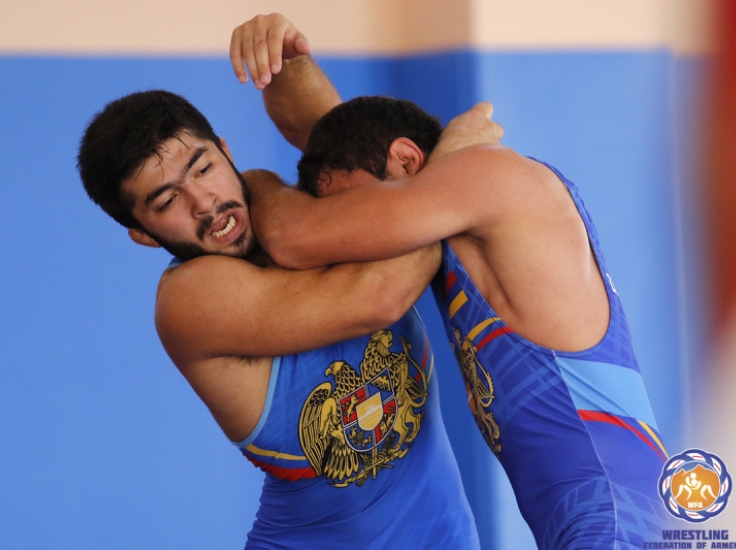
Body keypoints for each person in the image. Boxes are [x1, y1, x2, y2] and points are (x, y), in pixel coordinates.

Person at [237, 14, 677, 550]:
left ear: (406, 159)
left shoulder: (488, 178)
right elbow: (330, 133)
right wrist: (286, 64)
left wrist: (253, 182)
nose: (355, 236)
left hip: (614, 519)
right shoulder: (447, 214)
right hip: (604, 518)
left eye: (354, 208)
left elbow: (295, 235)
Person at [75, 17, 498, 547]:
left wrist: (287, 62)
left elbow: (340, 136)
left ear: (226, 151)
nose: (205, 203)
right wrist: (447, 170)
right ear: (142, 234)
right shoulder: (190, 299)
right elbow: (379, 295)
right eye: (167, 201)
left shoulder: (289, 211)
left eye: (203, 168)